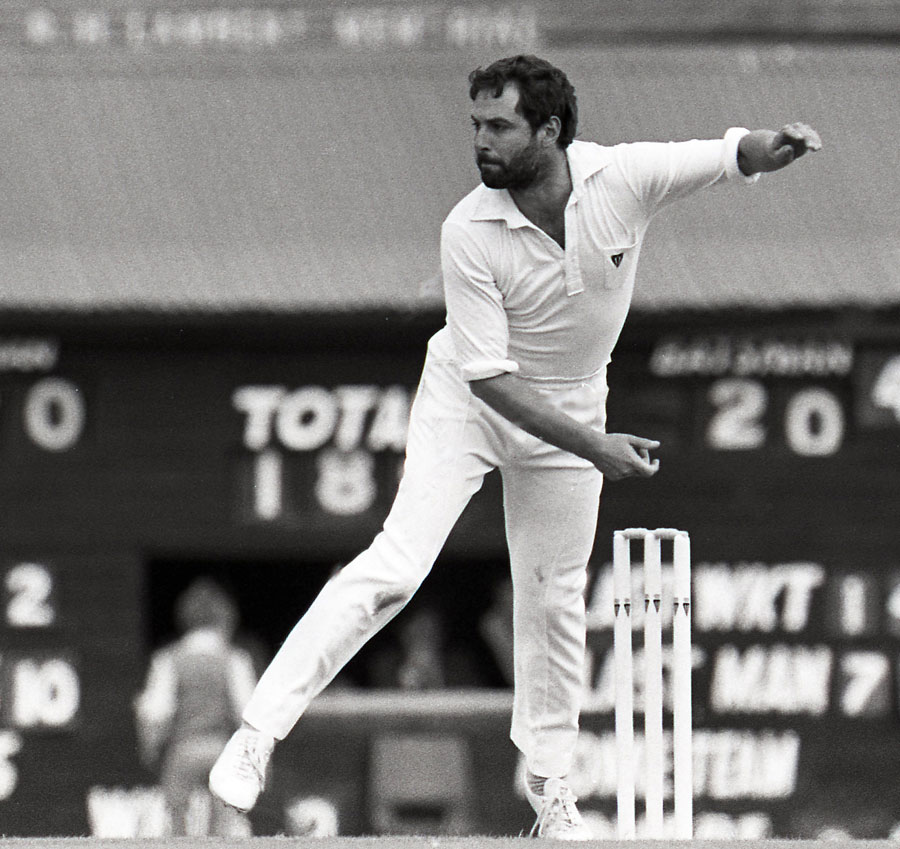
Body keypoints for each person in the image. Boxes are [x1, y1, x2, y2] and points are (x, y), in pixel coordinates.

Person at [209, 54, 821, 839]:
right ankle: (256, 733)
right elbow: (492, 382)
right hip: (472, 399)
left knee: (553, 599)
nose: (481, 142)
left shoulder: (625, 178)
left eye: (499, 126)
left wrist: (779, 146)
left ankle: (549, 786)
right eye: (476, 125)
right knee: (396, 566)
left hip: (572, 404)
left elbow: (731, 153)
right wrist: (597, 447)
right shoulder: (468, 229)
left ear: (551, 131)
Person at [135, 578, 258, 836]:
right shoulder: (234, 659)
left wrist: (151, 749)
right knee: (224, 825)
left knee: (176, 821)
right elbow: (246, 713)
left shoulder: (169, 659)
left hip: (183, 750)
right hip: (222, 749)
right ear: (225, 618)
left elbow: (156, 712)